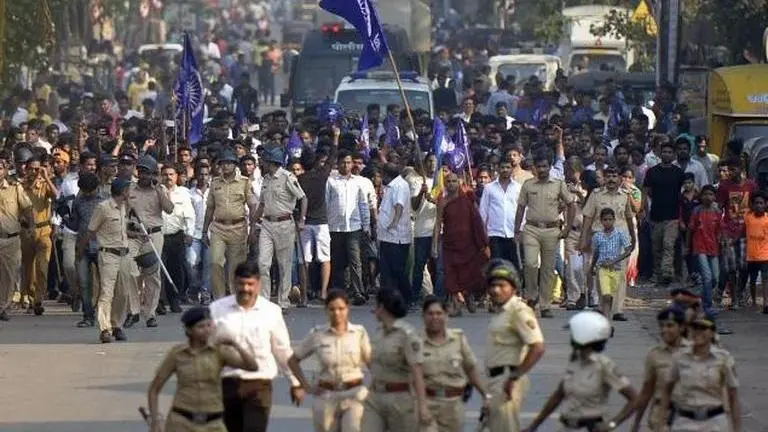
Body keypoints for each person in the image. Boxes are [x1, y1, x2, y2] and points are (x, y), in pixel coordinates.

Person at [210, 261, 304, 432]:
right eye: (241, 284)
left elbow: (282, 350)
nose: (245, 289)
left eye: (250, 284)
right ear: (234, 282)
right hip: (226, 385)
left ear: (258, 284)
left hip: (259, 385)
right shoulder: (217, 310)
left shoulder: (271, 312)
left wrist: (295, 382)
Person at [146, 306, 259, 432]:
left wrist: (236, 344)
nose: (206, 330)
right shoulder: (177, 354)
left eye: (209, 325)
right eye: (201, 327)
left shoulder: (219, 351)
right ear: (189, 330)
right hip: (182, 422)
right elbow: (154, 389)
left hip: (213, 423)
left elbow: (252, 367)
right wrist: (155, 420)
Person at [522, 311, 637, 432]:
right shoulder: (575, 362)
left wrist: (613, 423)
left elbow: (634, 398)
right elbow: (558, 396)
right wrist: (533, 426)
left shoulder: (604, 365)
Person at [287, 289, 372, 432]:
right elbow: (293, 360)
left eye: (341, 308)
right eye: (332, 309)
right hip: (327, 396)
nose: (337, 313)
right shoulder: (318, 334)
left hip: (354, 394)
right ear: (326, 310)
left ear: (348, 309)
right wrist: (306, 386)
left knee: (353, 428)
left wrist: (375, 389)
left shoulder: (359, 333)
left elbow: (372, 364)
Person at [484, 260, 546, 432]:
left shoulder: (518, 311)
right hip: (495, 380)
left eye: (502, 285)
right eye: (493, 285)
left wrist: (514, 377)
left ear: (513, 287)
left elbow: (537, 347)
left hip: (507, 379)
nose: (496, 290)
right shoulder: (501, 312)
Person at [360, 288, 431, 431]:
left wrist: (423, 406)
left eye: (376, 306)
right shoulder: (378, 333)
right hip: (375, 398)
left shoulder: (407, 335)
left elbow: (417, 371)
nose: (374, 310)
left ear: (382, 307)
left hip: (399, 400)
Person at [658, 312, 741, 432]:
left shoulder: (723, 359)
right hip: (685, 421)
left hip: (714, 422)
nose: (698, 332)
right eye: (695, 328)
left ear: (712, 333)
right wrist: (662, 423)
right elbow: (667, 390)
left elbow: (733, 396)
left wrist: (737, 428)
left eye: (703, 328)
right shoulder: (680, 357)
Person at [514, 152, 574, 317]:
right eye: (539, 166)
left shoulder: (558, 184)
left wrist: (567, 227)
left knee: (548, 268)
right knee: (531, 264)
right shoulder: (528, 184)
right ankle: (532, 298)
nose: (542, 169)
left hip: (552, 230)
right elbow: (520, 208)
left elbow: (571, 204)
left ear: (549, 167)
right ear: (534, 168)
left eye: (545, 166)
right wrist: (516, 230)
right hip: (531, 229)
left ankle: (545, 304)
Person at [420, 295, 490, 432]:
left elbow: (471, 369)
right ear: (423, 317)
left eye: (439, 313)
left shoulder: (458, 339)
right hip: (427, 404)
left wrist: (486, 395)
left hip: (454, 405)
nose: (435, 317)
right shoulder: (416, 343)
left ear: (447, 316)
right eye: (430, 313)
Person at [580, 165, 637, 321]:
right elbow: (588, 218)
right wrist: (583, 238)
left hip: (620, 239)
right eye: (608, 176)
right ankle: (602, 306)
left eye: (614, 176)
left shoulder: (625, 195)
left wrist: (633, 238)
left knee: (620, 275)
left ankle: (617, 310)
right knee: (600, 272)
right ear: (604, 178)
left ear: (619, 178)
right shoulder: (596, 195)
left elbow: (629, 217)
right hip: (600, 238)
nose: (611, 179)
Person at [124, 154, 174, 328]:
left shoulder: (160, 190)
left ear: (153, 174)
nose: (143, 176)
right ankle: (134, 310)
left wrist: (159, 189)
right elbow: (124, 213)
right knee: (129, 269)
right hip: (134, 235)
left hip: (154, 235)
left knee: (153, 275)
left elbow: (169, 209)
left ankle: (150, 313)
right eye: (141, 172)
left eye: (147, 173)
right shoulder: (129, 189)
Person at [254, 146, 307, 310]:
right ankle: (264, 300)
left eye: (265, 160)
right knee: (263, 263)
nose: (262, 163)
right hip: (267, 224)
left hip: (285, 223)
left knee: (285, 265)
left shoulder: (287, 177)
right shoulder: (266, 179)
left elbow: (303, 198)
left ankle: (283, 301)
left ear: (272, 162)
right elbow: (262, 204)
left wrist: (302, 219)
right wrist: (253, 223)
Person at [432, 171, 489, 315]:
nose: (451, 184)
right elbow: (438, 223)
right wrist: (434, 245)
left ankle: (468, 294)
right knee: (450, 274)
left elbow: (477, 220)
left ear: (459, 183)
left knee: (467, 273)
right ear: (445, 184)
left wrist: (483, 241)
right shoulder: (443, 202)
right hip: (450, 244)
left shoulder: (468, 199)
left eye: (454, 181)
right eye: (449, 182)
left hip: (467, 243)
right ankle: (455, 305)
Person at [83, 178, 132, 343]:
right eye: (128, 189)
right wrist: (87, 250)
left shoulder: (125, 207)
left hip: (124, 254)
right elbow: (91, 231)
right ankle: (105, 329)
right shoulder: (103, 208)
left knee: (124, 292)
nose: (130, 192)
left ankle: (117, 324)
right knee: (106, 292)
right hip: (108, 255)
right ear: (123, 191)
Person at [202, 151, 256, 301]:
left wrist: (253, 229)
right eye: (222, 163)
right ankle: (219, 299)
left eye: (228, 163)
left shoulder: (245, 182)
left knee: (234, 267)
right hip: (218, 227)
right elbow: (210, 209)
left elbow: (252, 206)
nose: (225, 166)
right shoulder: (215, 183)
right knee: (215, 262)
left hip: (238, 228)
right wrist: (204, 230)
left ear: (235, 165)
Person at [630, 307, 687, 432]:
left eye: (670, 325)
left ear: (682, 327)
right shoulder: (654, 355)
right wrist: (636, 423)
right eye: (661, 326)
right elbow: (646, 392)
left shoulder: (695, 352)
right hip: (660, 417)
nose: (664, 330)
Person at [642, 141, 685, 286]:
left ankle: (667, 272)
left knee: (668, 244)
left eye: (669, 152)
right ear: (660, 153)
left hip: (673, 215)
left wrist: (682, 215)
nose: (666, 154)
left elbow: (684, 193)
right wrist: (645, 211)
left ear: (673, 155)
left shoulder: (678, 173)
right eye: (664, 151)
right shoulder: (652, 172)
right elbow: (645, 191)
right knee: (656, 247)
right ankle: (657, 275)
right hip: (655, 215)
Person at [20, 155, 58, 315]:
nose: (36, 172)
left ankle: (39, 299)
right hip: (26, 231)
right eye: (32, 169)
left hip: (44, 230)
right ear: (26, 169)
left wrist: (46, 177)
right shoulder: (20, 187)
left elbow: (57, 195)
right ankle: (30, 295)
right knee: (29, 269)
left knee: (42, 267)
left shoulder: (45, 185)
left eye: (38, 168)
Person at [0, 154, 33, 321]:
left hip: (10, 239)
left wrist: (31, 226)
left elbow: (27, 208)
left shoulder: (15, 188)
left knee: (8, 274)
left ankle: (3, 306)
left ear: (6, 170)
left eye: (0, 167)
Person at [590, 208, 633, 324]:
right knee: (606, 295)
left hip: (616, 269)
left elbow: (628, 250)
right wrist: (592, 267)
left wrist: (614, 260)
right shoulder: (598, 236)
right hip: (602, 269)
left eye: (610, 219)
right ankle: (606, 321)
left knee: (611, 296)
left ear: (614, 220)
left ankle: (608, 318)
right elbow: (596, 253)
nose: (607, 222)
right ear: (601, 221)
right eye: (605, 220)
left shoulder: (620, 234)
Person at [686, 185, 723, 314]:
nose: (708, 197)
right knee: (707, 276)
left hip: (713, 248)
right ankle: (708, 305)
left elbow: (720, 230)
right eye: (705, 194)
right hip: (700, 247)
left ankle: (703, 296)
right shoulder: (697, 211)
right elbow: (690, 230)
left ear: (714, 197)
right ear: (701, 196)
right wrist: (687, 246)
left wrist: (723, 243)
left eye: (711, 194)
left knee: (715, 278)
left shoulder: (717, 212)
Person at [745, 190, 768, 314]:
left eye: (761, 203)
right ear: (753, 205)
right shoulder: (748, 217)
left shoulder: (767, 219)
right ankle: (754, 302)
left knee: (765, 279)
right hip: (752, 255)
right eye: (756, 203)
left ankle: (766, 303)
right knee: (752, 280)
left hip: (765, 255)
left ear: (766, 204)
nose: (759, 205)